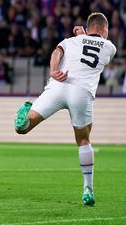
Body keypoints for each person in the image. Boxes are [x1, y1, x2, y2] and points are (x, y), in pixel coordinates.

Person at [14, 13, 116, 206]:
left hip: (57, 84)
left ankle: (23, 118)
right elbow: (95, 46)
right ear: (104, 29)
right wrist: (83, 35)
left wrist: (54, 70)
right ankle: (88, 189)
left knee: (24, 128)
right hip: (81, 92)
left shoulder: (70, 41)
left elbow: (57, 52)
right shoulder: (110, 47)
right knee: (84, 139)